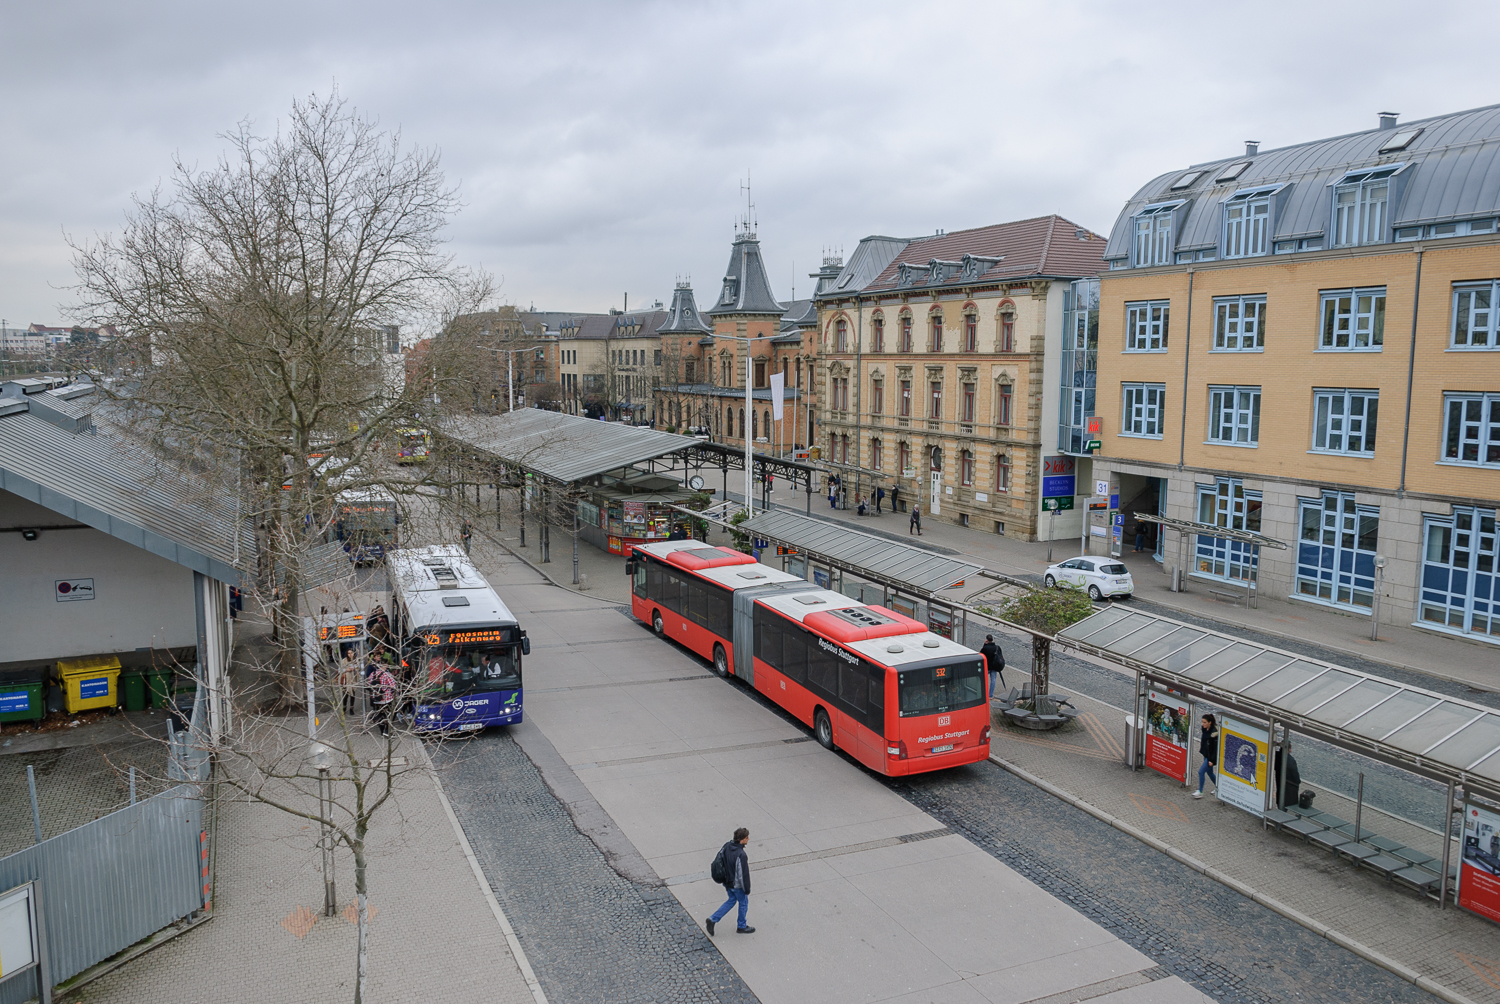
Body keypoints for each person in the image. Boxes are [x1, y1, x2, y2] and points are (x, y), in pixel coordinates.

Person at [705, 827, 754, 935]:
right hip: (736, 885)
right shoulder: (741, 854)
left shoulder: (727, 846)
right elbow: (742, 875)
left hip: (727, 881)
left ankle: (713, 919)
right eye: (747, 837)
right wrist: (746, 889)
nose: (748, 839)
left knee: (731, 900)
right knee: (743, 902)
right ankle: (741, 926)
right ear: (742, 839)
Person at [1194, 714, 1219, 799]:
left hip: (1210, 757)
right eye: (1202, 722)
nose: (1202, 724)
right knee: (1210, 773)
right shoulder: (1205, 729)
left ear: (1210, 722)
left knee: (1201, 772)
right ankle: (1219, 788)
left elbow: (1215, 749)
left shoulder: (1214, 734)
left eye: (1204, 722)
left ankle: (1200, 791)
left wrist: (1212, 760)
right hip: (1205, 754)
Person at [370, 660, 397, 736]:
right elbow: (393, 686)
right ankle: (387, 731)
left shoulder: (373, 674)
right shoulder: (386, 675)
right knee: (389, 714)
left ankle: (382, 731)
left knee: (380, 714)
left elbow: (369, 685)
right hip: (386, 699)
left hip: (376, 699)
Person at [1274, 744, 1302, 810]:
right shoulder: (1290, 760)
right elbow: (1294, 773)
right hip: (1289, 782)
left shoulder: (1277, 755)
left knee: (1280, 793)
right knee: (1287, 797)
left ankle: (1279, 807)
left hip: (1279, 778)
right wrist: (1298, 781)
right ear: (1288, 749)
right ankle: (1283, 811)